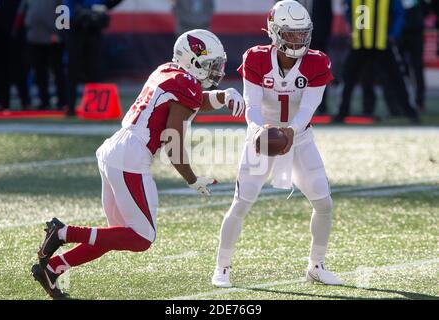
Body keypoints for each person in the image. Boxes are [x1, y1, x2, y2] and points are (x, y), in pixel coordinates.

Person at [31, 29, 246, 299]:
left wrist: (224, 96)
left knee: (115, 235)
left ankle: (52, 269)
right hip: (131, 157)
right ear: (192, 60)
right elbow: (173, 140)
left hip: (116, 149)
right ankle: (62, 232)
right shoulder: (186, 85)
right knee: (142, 237)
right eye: (210, 64)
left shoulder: (168, 71)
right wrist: (192, 178)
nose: (215, 71)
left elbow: (192, 101)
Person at [212, 0, 343, 288]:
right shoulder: (256, 58)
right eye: (291, 33)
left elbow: (309, 108)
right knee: (241, 203)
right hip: (262, 137)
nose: (298, 39)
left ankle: (316, 265)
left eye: (302, 33)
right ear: (274, 31)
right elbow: (252, 107)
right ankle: (222, 267)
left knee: (323, 203)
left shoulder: (317, 60)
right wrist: (261, 132)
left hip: (301, 137)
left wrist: (290, 134)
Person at [335, 0, 420, 123]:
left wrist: (394, 34)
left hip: (382, 43)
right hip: (360, 43)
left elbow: (399, 13)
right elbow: (348, 11)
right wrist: (352, 30)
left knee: (397, 78)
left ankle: (410, 111)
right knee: (348, 78)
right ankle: (342, 112)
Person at [65, 0, 123, 116]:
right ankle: (70, 107)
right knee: (73, 71)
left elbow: (109, 4)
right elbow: (67, 11)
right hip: (76, 32)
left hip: (94, 32)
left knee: (93, 70)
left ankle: (94, 107)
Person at [23, 0, 67, 110]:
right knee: (39, 71)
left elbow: (64, 11)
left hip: (53, 38)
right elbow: (27, 11)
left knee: (57, 70)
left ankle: (63, 101)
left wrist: (59, 34)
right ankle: (44, 100)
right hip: (35, 37)